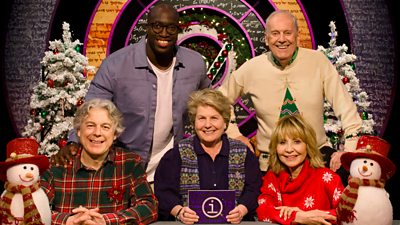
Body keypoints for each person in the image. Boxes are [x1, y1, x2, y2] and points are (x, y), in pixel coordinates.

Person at [54, 2, 211, 183]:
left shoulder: (194, 63)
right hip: (123, 170)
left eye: (171, 28)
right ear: (147, 27)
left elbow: (210, 102)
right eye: (157, 26)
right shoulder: (116, 65)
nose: (164, 33)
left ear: (179, 30)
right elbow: (91, 109)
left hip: (170, 172)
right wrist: (73, 142)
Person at [218, 10, 362, 181]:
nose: (281, 39)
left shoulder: (318, 62)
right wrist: (235, 134)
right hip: (271, 164)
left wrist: (348, 151)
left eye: (287, 33)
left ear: (297, 37)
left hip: (316, 158)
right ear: (266, 38)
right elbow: (219, 101)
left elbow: (346, 109)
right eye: (275, 33)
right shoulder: (252, 68)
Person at [41, 98, 158, 224]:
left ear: (114, 134)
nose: (97, 133)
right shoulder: (58, 165)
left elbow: (149, 207)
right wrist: (68, 221)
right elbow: (32, 209)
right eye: (90, 125)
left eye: (105, 127)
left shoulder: (129, 163)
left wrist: (106, 221)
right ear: (79, 131)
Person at [154, 88, 262, 224]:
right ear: (194, 122)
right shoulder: (177, 154)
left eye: (214, 118)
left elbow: (254, 188)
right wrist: (180, 212)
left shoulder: (243, 153)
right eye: (202, 118)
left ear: (225, 122)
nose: (207, 125)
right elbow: (163, 191)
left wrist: (241, 209)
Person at [256, 114, 344, 225]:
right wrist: (296, 217)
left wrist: (310, 216)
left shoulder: (327, 178)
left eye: (296, 142)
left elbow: (346, 214)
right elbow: (263, 211)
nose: (289, 149)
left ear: (308, 145)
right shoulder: (272, 177)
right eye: (282, 142)